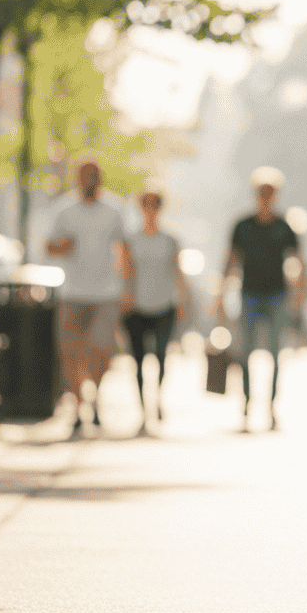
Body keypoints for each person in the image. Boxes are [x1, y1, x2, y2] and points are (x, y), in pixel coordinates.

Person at [46, 161, 134, 437]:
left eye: (94, 175)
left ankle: (95, 399)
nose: (90, 180)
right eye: (85, 175)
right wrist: (63, 246)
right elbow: (48, 246)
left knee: (102, 349)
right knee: (72, 352)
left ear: (101, 177)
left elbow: (124, 250)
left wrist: (127, 288)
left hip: (106, 293)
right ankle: (77, 405)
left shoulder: (114, 210)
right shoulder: (64, 210)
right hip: (72, 292)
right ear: (77, 178)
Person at [215, 167, 305, 432]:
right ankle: (246, 405)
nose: (265, 196)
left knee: (277, 354)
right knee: (245, 352)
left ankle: (271, 408)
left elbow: (297, 263)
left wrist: (298, 294)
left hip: (277, 296)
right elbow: (230, 261)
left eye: (270, 191)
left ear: (276, 194)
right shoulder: (242, 226)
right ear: (255, 193)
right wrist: (220, 295)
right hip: (249, 295)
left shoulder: (284, 227)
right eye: (261, 191)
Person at [124, 192, 193, 435]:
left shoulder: (169, 240)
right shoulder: (130, 239)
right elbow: (125, 271)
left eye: (155, 206)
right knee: (139, 359)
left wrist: (184, 300)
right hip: (136, 307)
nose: (150, 210)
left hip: (165, 305)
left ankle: (158, 397)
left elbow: (177, 270)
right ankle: (144, 407)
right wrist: (125, 299)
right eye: (146, 205)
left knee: (162, 356)